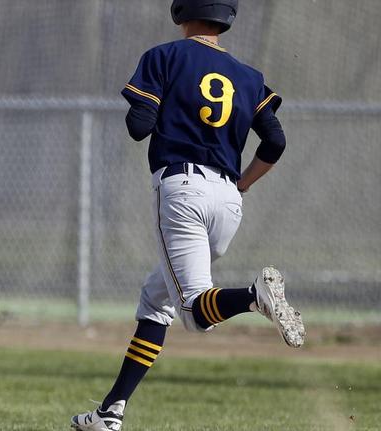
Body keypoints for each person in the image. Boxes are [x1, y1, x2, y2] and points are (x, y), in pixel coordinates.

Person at [70, 1, 305, 429]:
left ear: (185, 10)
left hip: (182, 190)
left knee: (196, 315)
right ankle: (109, 412)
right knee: (156, 299)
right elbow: (275, 141)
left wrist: (156, 106)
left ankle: (255, 296)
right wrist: (244, 183)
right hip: (228, 201)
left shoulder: (164, 56)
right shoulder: (249, 76)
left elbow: (138, 126)